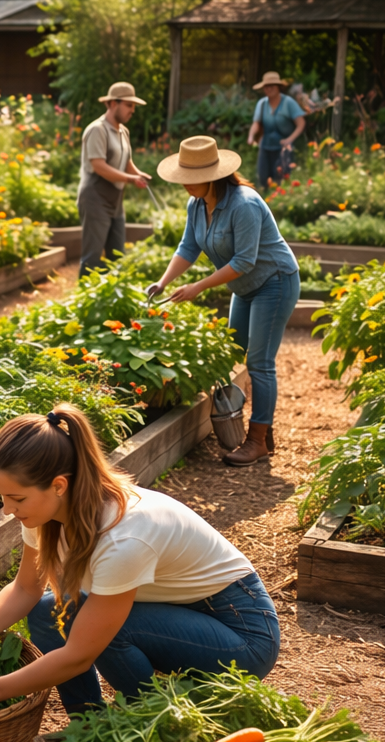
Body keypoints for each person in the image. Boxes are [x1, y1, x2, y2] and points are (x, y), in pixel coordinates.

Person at [0, 406, 280, 717]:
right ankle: (88, 724)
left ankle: (148, 723)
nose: (8, 510)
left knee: (103, 631)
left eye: (16, 498)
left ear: (58, 485)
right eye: (2, 496)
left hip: (241, 634)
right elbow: (26, 589)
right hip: (175, 613)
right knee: (45, 612)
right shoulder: (46, 513)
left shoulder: (123, 536)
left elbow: (80, 654)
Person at [145, 135, 301, 466]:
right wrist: (163, 281)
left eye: (192, 178)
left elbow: (244, 261)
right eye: (183, 178)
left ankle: (257, 439)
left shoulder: (244, 204)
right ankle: (263, 431)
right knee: (231, 352)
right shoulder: (197, 205)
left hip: (274, 282)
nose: (185, 185)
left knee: (259, 361)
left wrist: (197, 287)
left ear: (212, 176)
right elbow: (188, 247)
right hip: (244, 288)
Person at [77, 82, 151, 276]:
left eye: (134, 106)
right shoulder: (97, 130)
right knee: (92, 258)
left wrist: (138, 175)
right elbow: (99, 166)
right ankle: (84, 293)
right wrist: (131, 179)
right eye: (129, 105)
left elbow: (127, 162)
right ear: (112, 104)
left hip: (116, 201)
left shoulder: (123, 132)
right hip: (95, 199)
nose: (132, 110)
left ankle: (114, 293)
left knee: (117, 256)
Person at [247, 71, 306, 188]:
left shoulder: (288, 103)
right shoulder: (262, 104)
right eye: (266, 86)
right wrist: (251, 137)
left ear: (278, 87)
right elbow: (256, 123)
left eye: (272, 86)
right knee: (263, 179)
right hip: (265, 146)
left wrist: (289, 139)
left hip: (283, 148)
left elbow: (301, 123)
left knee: (281, 180)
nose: (269, 89)